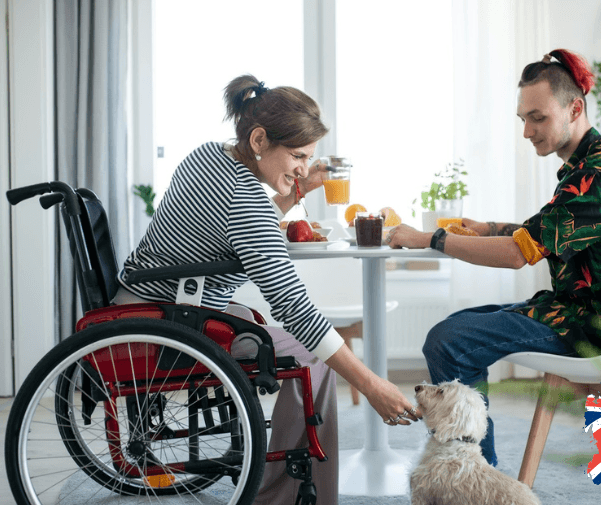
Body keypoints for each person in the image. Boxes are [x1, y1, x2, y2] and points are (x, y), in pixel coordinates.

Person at [114, 75, 421, 505]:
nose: (302, 167)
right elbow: (293, 305)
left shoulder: (210, 156)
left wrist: (299, 189)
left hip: (142, 300)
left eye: (308, 158)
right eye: (297, 156)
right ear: (259, 139)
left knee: (298, 341)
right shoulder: (246, 199)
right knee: (311, 351)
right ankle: (280, 496)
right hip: (173, 323)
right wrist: (371, 385)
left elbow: (235, 225)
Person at [386, 49, 601, 467]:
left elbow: (520, 254)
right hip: (583, 310)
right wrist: (490, 228)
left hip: (597, 327)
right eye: (523, 119)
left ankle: (476, 479)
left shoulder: (600, 173)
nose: (527, 131)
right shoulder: (600, 160)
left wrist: (429, 238)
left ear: (575, 108)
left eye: (538, 118)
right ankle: (478, 473)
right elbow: (547, 233)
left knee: (450, 341)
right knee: (452, 331)